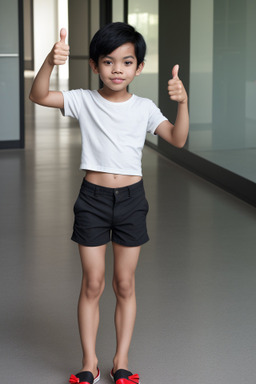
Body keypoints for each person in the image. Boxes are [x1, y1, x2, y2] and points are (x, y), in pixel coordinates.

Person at [29, 22, 189, 384]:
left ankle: (121, 360)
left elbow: (177, 140)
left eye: (127, 62)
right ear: (95, 65)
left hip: (132, 200)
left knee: (125, 284)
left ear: (139, 67)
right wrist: (50, 63)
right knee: (93, 283)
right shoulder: (84, 100)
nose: (117, 69)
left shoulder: (145, 108)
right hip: (93, 200)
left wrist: (183, 104)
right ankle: (89, 363)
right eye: (108, 61)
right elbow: (38, 95)